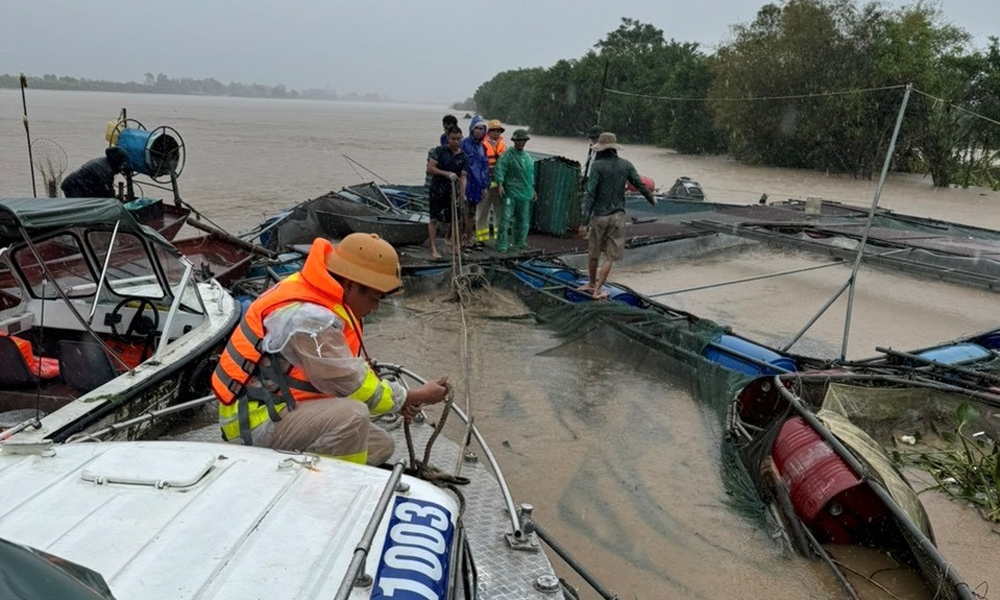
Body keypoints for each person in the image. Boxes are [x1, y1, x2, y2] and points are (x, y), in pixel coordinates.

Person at [211, 234, 450, 465]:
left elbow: (342, 372)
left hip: (284, 407)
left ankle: (309, 473)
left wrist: (399, 403)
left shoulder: (321, 294)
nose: (376, 308)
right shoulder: (307, 319)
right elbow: (352, 383)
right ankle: (337, 495)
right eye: (375, 298)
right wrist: (414, 395)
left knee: (380, 445)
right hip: (255, 424)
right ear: (351, 285)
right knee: (353, 416)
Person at [577, 132, 657, 299]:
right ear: (615, 149)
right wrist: (651, 199)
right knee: (610, 256)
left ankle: (591, 283)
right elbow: (639, 184)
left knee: (594, 253)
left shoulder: (597, 166)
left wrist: (584, 222)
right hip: (618, 217)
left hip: (599, 216)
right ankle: (598, 290)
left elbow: (590, 193)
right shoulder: (625, 165)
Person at [426, 125, 468, 259]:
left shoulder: (463, 156)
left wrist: (463, 192)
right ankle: (433, 248)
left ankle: (455, 246)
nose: (456, 141)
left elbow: (463, 176)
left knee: (455, 219)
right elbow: (430, 168)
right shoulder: (440, 151)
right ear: (448, 139)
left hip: (453, 191)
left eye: (458, 139)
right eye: (453, 139)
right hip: (437, 189)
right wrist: (446, 174)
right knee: (434, 218)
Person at [493, 129, 535, 253]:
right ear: (514, 141)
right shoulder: (508, 154)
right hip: (510, 192)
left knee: (522, 219)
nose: (521, 143)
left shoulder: (527, 157)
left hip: (524, 193)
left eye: (523, 140)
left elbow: (530, 175)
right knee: (505, 218)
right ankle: (502, 244)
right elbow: (500, 168)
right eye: (518, 140)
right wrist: (500, 183)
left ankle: (520, 241)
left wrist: (532, 188)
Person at [460, 117, 491, 250]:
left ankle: (469, 238)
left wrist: (484, 186)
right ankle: (462, 238)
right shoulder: (464, 144)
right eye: (476, 128)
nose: (478, 131)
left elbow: (485, 167)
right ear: (471, 129)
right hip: (465, 182)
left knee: (471, 213)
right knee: (462, 212)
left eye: (481, 129)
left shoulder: (483, 148)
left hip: (477, 185)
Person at [475, 119, 507, 245]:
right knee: (483, 210)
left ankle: (499, 237)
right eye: (493, 130)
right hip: (485, 182)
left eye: (498, 131)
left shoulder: (503, 146)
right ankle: (481, 238)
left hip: (499, 183)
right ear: (488, 132)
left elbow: (505, 165)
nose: (495, 133)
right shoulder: (481, 145)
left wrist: (502, 182)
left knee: (499, 211)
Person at [60, 146, 131, 198]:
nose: (121, 167)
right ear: (116, 161)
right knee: (79, 209)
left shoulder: (105, 161)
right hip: (73, 187)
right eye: (121, 163)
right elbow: (107, 192)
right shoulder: (105, 170)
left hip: (78, 185)